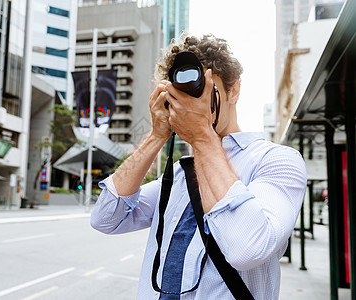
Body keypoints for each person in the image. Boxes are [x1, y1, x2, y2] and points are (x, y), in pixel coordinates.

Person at [90, 34, 307, 300]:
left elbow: (248, 249)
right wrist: (156, 136)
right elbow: (106, 218)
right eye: (182, 98)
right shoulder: (180, 176)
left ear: (234, 89)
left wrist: (203, 137)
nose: (193, 106)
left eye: (206, 92)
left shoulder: (276, 161)